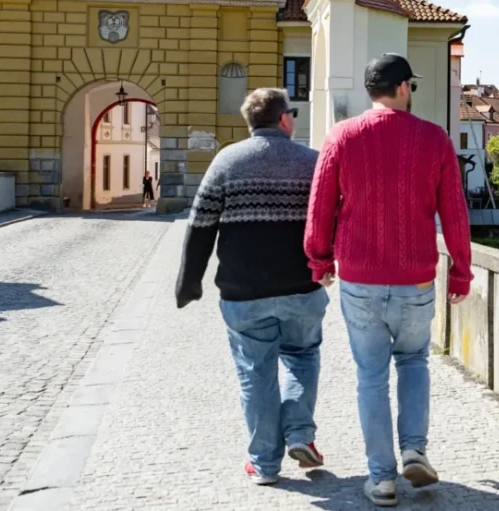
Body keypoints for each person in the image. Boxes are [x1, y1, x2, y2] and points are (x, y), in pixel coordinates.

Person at [305, 53, 472, 508]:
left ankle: (381, 480)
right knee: (414, 361)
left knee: (371, 377)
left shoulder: (341, 136)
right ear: (401, 88)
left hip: (360, 280)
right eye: (410, 86)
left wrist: (320, 261)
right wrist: (460, 270)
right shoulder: (434, 139)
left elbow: (320, 206)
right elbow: (454, 212)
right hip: (415, 279)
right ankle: (414, 449)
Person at [176, 88, 327, 486]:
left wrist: (189, 283)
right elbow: (334, 217)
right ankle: (300, 434)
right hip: (302, 287)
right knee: (301, 356)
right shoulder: (312, 162)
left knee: (255, 373)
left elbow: (200, 224)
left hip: (244, 292)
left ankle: (264, 464)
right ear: (284, 119)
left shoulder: (227, 160)